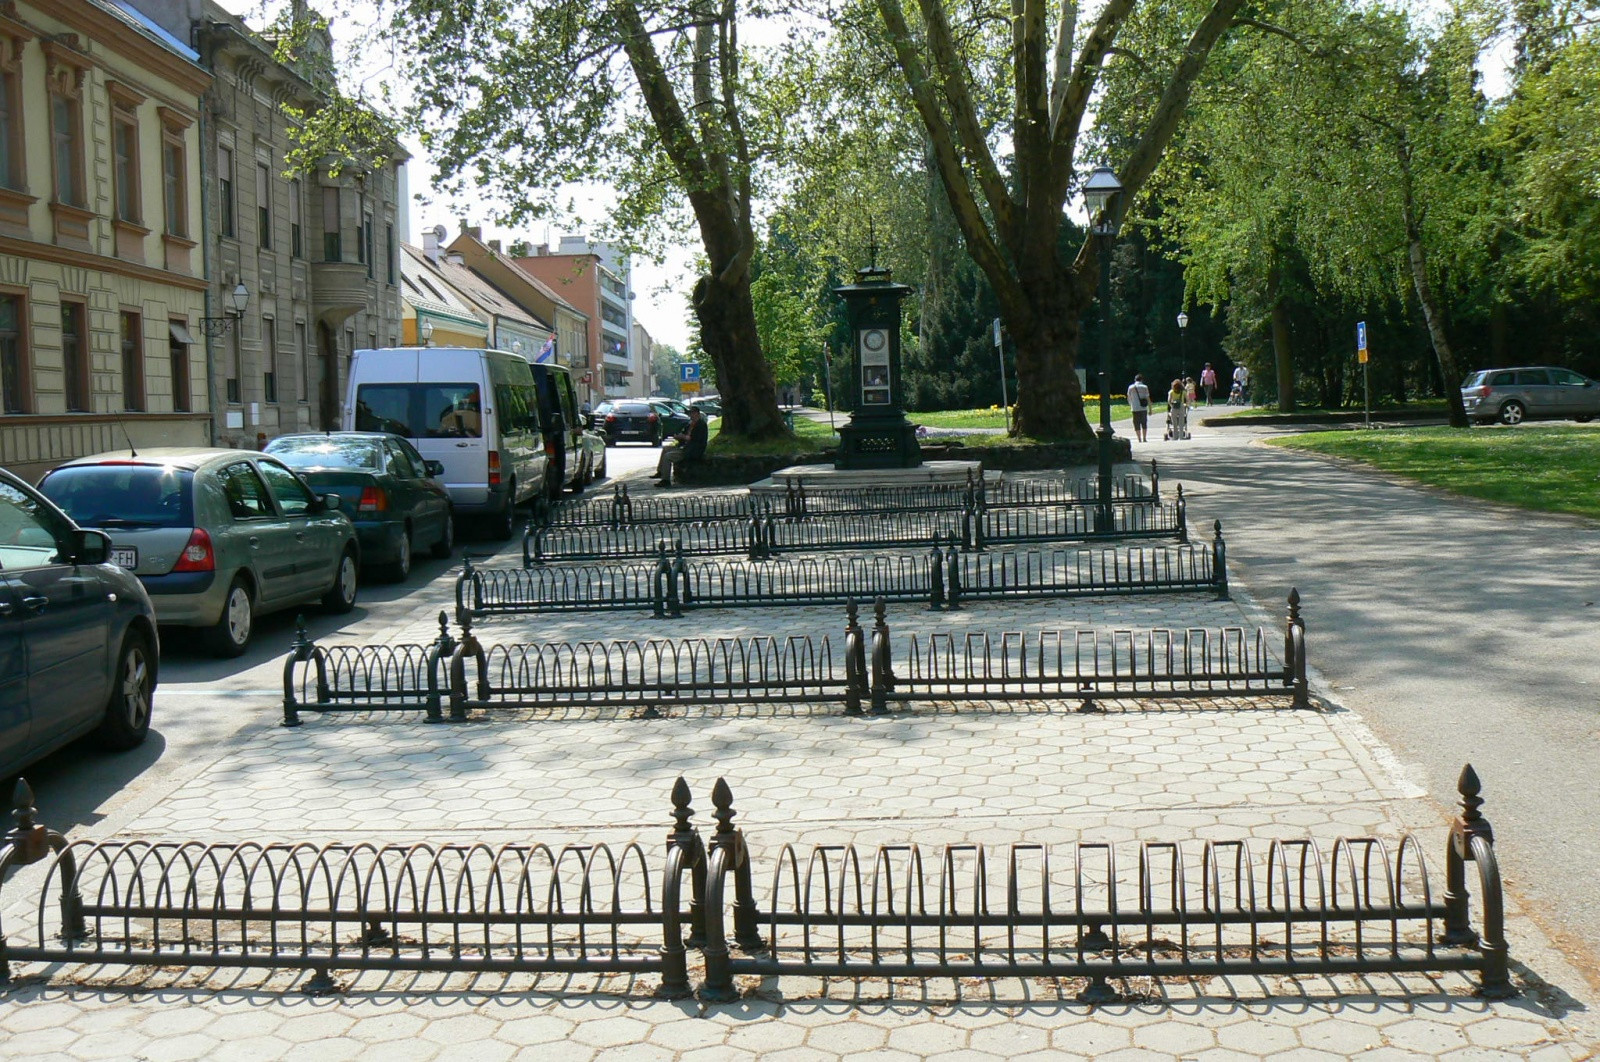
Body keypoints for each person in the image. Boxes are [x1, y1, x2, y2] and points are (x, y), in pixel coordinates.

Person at [656, 406, 708, 486]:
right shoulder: (689, 424)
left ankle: (665, 480)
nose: (691, 416)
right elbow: (684, 435)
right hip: (684, 447)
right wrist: (678, 437)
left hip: (692, 450)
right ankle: (660, 471)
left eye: (692, 413)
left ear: (697, 414)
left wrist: (683, 437)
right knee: (666, 449)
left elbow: (695, 439)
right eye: (690, 414)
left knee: (668, 456)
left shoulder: (701, 425)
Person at [1125, 373, 1151, 443]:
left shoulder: (1131, 387)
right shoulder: (1145, 387)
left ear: (1135, 380)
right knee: (1144, 423)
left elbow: (1128, 397)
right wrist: (1150, 409)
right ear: (1142, 380)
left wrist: (1131, 404)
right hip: (1143, 408)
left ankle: (1139, 438)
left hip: (1134, 408)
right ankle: (1144, 438)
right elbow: (1148, 398)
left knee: (1136, 423)